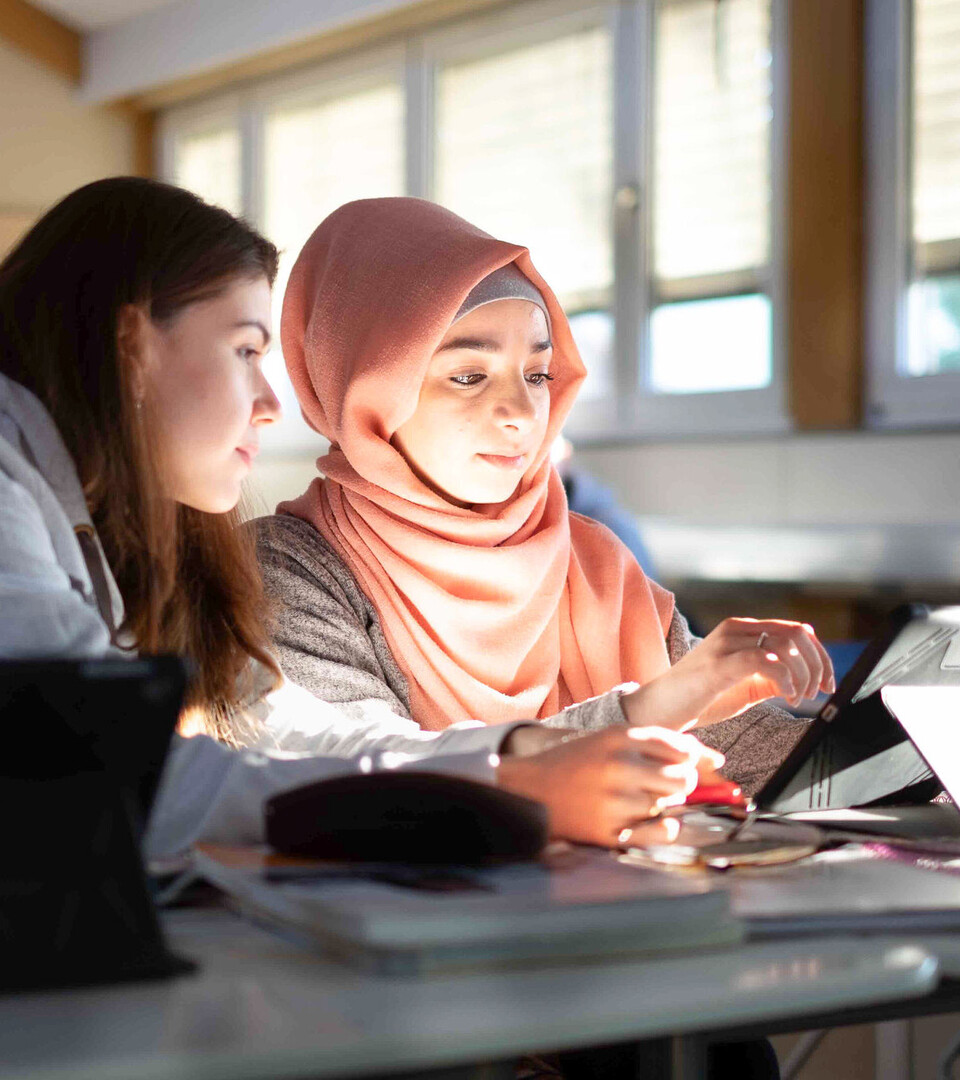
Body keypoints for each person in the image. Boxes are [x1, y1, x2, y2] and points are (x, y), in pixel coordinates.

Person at [0, 177, 725, 860]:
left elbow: (309, 740)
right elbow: (114, 776)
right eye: (246, 350)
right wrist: (508, 787)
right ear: (132, 346)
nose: (270, 402)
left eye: (537, 374)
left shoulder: (114, 531)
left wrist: (527, 757)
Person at [254, 196, 834, 811]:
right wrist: (643, 712)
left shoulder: (592, 563)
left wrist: (909, 736)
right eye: (468, 375)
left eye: (536, 374)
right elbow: (370, 782)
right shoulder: (289, 570)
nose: (523, 414)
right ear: (362, 384)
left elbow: (761, 759)